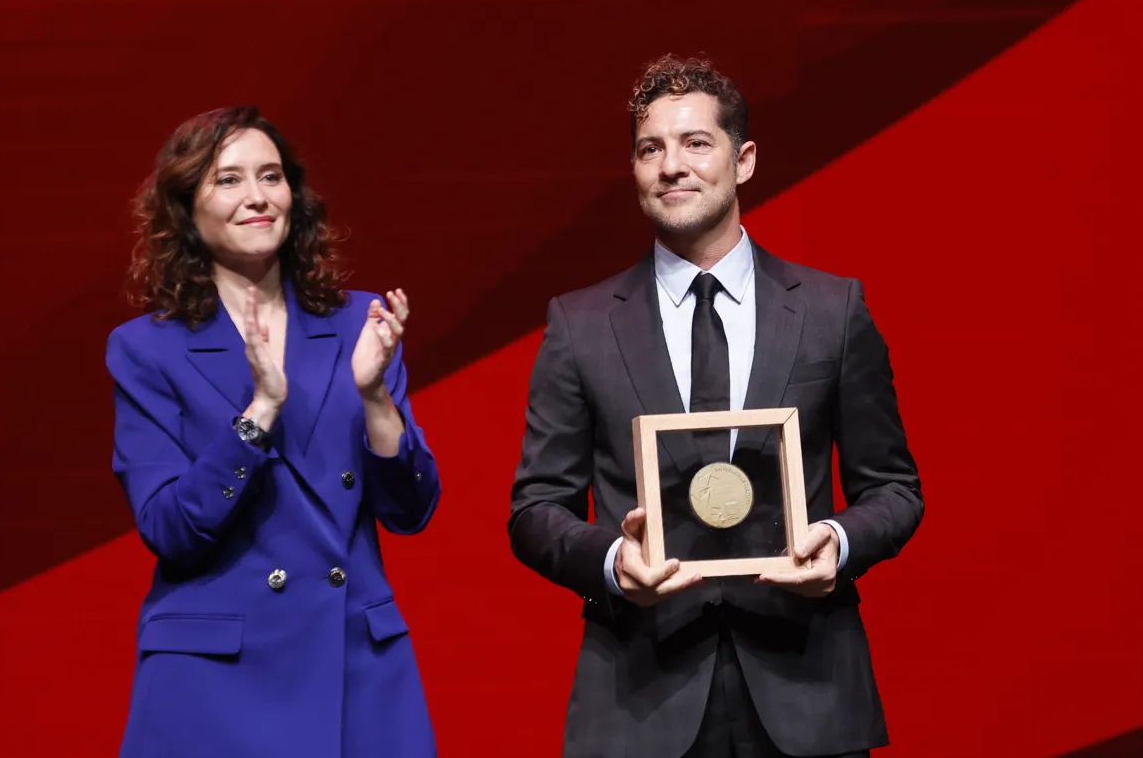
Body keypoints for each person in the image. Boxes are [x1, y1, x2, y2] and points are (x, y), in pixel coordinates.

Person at [508, 55, 923, 757]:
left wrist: (840, 544)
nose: (671, 165)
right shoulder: (577, 325)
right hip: (640, 700)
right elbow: (535, 508)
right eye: (650, 148)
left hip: (810, 691)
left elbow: (893, 488)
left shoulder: (831, 312)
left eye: (695, 142)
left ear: (744, 159)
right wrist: (611, 559)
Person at [106, 106, 440, 757]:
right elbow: (171, 529)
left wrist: (374, 397)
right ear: (185, 208)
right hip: (214, 677)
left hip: (353, 660)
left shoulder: (356, 325)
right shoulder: (145, 350)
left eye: (271, 176)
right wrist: (258, 414)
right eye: (228, 180)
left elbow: (411, 511)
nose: (257, 196)